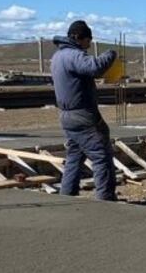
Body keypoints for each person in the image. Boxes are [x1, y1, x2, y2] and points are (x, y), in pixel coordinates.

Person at [50, 20, 119, 201]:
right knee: (101, 155)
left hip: (66, 115)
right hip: (82, 114)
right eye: (88, 40)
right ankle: (106, 200)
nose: (89, 45)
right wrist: (111, 54)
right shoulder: (74, 55)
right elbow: (95, 67)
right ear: (79, 38)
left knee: (75, 155)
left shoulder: (57, 56)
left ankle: (67, 195)